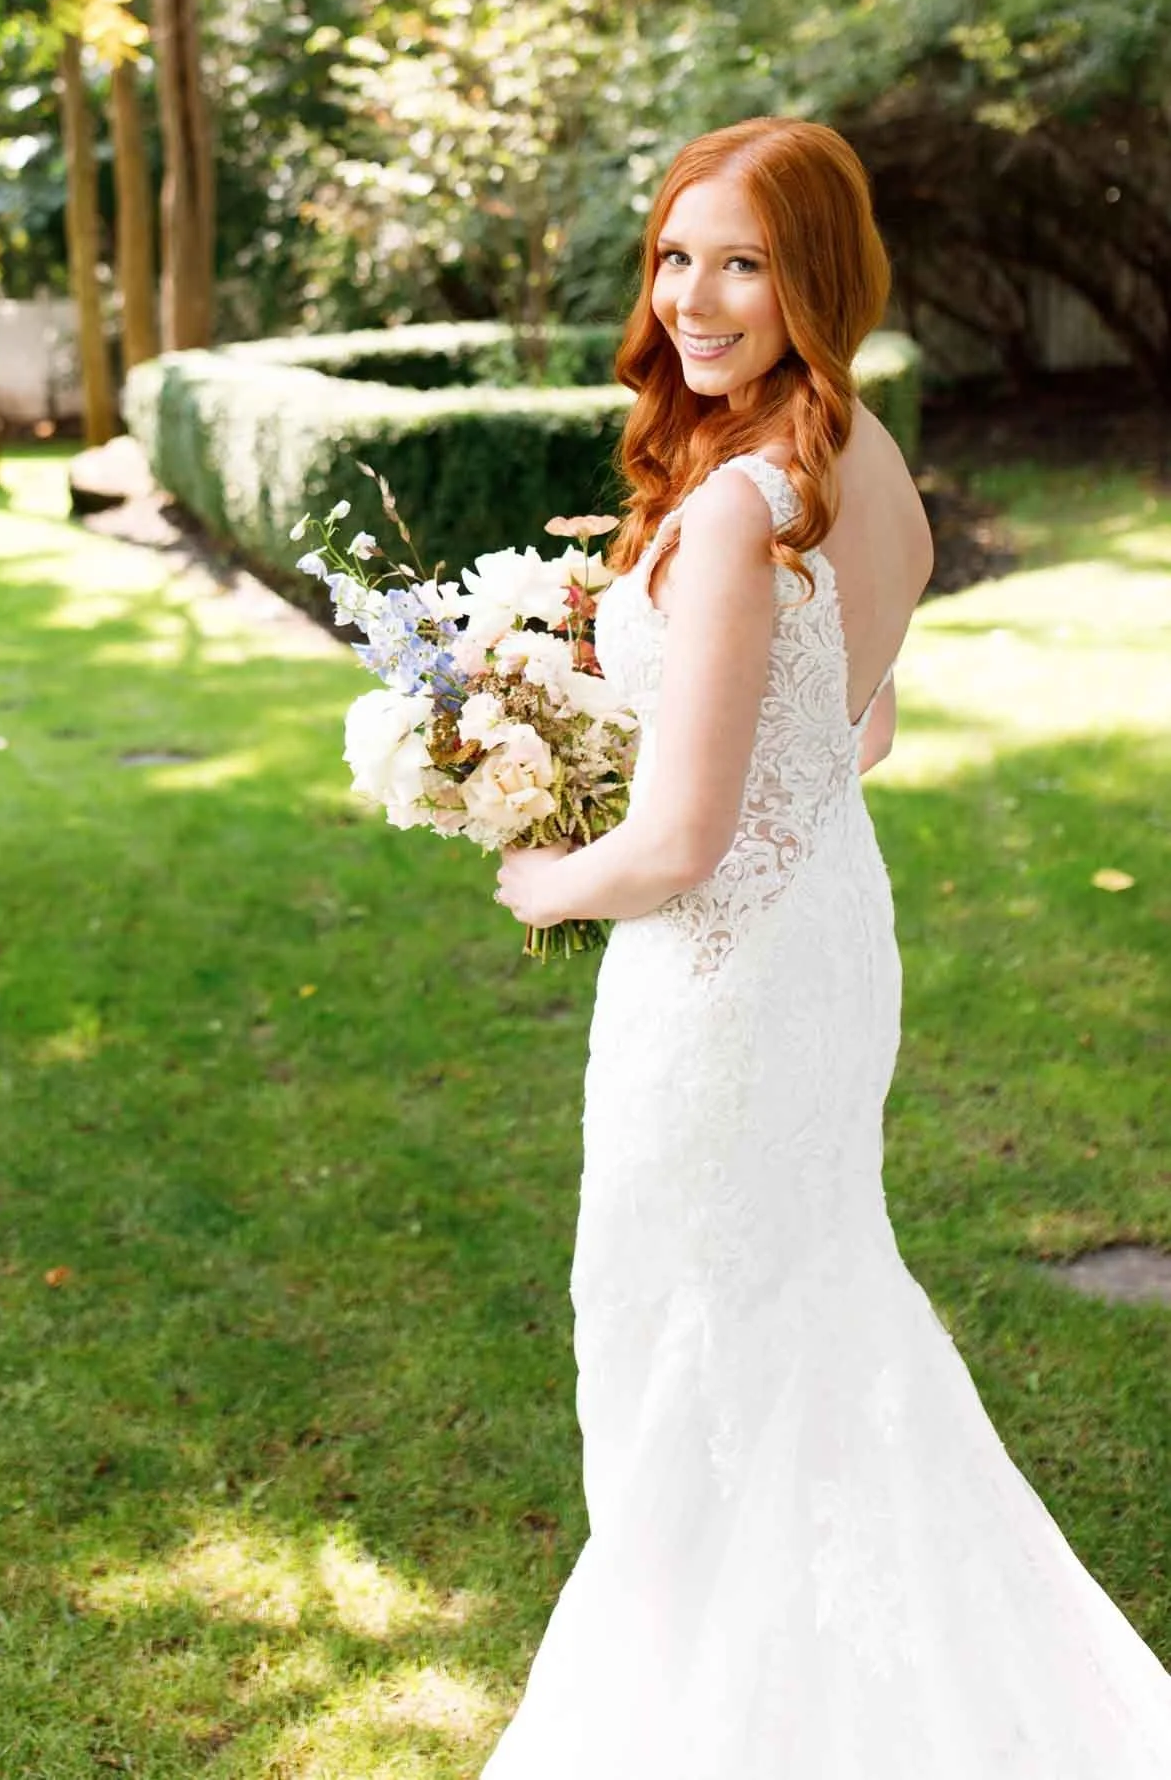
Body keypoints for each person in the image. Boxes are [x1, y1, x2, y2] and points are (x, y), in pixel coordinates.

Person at [488, 117, 1171, 1776]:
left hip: (721, 982)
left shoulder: (730, 509)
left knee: (685, 1327)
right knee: (802, 1309)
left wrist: (540, 873)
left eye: (743, 263)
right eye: (675, 257)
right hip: (821, 945)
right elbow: (845, 744)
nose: (698, 297)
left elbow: (679, 840)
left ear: (817, 280)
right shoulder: (863, 466)